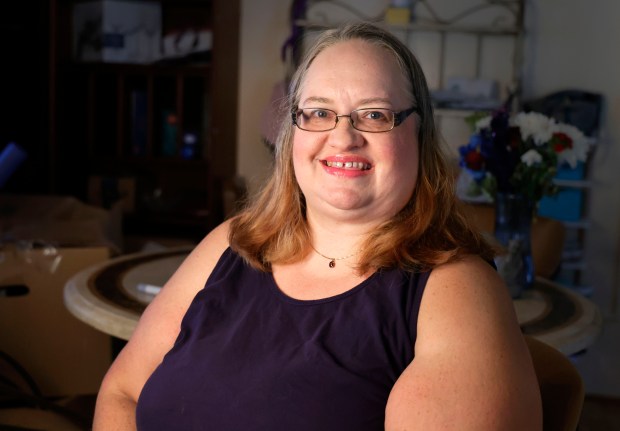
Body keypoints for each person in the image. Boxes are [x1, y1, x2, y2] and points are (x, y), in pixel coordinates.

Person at [93, 22, 542, 430]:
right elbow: (122, 395)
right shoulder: (230, 244)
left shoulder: (454, 290)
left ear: (419, 136)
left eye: (374, 114)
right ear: (293, 133)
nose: (343, 137)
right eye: (319, 113)